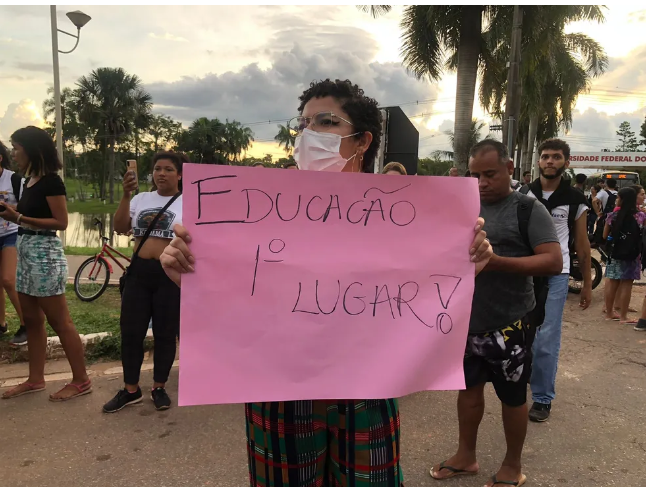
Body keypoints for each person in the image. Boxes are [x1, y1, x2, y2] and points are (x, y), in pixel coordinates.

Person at [159, 79, 494, 487]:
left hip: (368, 388)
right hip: (280, 392)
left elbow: (420, 294)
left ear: (362, 141)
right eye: (303, 124)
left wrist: (465, 264)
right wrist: (189, 276)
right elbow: (241, 295)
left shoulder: (404, 215)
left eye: (326, 122)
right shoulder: (257, 209)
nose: (308, 133)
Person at [430, 140, 561, 487]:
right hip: (465, 323)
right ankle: (465, 456)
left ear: (510, 168)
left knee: (513, 398)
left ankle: (512, 467)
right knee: (468, 392)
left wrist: (497, 262)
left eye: (490, 174)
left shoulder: (527, 209)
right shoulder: (460, 208)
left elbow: (553, 261)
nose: (482, 182)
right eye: (475, 175)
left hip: (511, 324)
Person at [1, 126, 91, 401]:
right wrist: (12, 211)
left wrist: (19, 218)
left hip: (45, 255)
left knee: (59, 321)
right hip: (26, 253)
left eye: (17, 148)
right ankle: (35, 379)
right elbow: (30, 212)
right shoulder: (29, 181)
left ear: (32, 150)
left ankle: (81, 380)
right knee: (31, 320)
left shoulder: (51, 182)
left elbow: (61, 222)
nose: (13, 153)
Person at [102, 151, 184, 413]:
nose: (161, 174)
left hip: (169, 275)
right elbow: (119, 227)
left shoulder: (189, 202)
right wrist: (126, 195)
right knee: (131, 332)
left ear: (180, 174)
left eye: (168, 169)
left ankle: (159, 387)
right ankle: (131, 389)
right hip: (138, 272)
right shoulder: (140, 199)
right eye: (157, 169)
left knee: (165, 333)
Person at [519, 138, 591, 423]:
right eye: (546, 156)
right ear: (538, 161)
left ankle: (542, 398)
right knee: (523, 335)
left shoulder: (575, 200)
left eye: (556, 157)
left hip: (557, 276)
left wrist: (587, 284)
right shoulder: (524, 194)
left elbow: (582, 245)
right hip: (525, 273)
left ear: (566, 162)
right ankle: (522, 382)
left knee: (547, 339)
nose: (550, 161)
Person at [602, 187, 646, 324]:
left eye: (618, 197)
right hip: (633, 255)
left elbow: (604, 235)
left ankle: (609, 313)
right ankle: (623, 317)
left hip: (615, 253)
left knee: (613, 282)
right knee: (627, 284)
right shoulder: (640, 216)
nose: (616, 200)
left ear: (622, 199)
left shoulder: (612, 215)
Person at [0, 141, 26, 341]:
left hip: (11, 232)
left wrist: (7, 208)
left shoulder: (14, 180)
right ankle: (1, 324)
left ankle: (27, 324)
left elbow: (29, 208)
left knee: (8, 280)